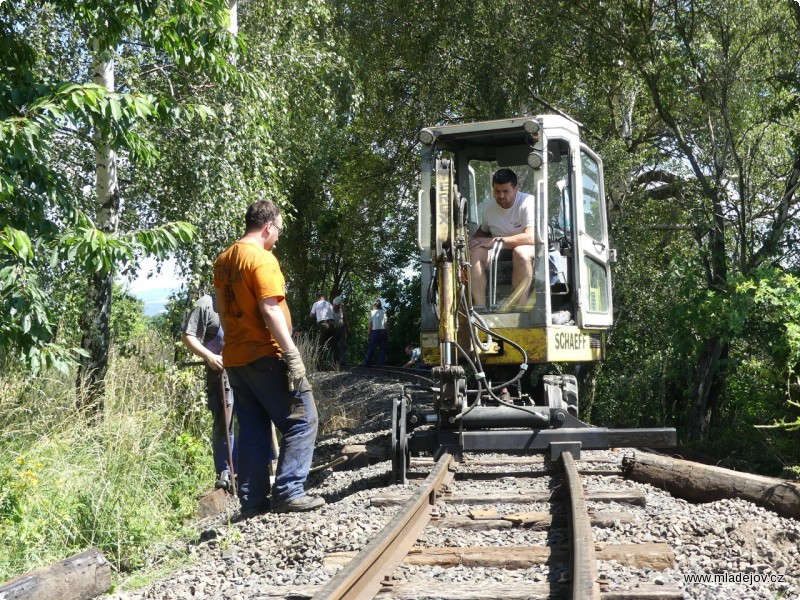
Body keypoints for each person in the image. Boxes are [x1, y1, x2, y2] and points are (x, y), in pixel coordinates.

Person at [214, 199, 324, 515]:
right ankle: (288, 491)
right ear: (268, 227)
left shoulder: (223, 261)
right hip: (265, 355)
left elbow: (223, 310)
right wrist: (291, 355)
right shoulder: (261, 259)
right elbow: (270, 308)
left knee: (252, 430)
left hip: (236, 358)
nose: (277, 239)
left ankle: (253, 501)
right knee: (302, 419)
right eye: (277, 232)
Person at [181, 293, 236, 491]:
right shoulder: (206, 305)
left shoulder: (242, 297)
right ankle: (225, 472)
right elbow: (188, 336)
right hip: (220, 374)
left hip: (246, 369)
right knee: (224, 421)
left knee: (251, 417)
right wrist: (209, 356)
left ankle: (254, 468)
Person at [468, 168, 536, 308]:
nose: (501, 196)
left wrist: (494, 241)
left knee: (521, 252)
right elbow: (483, 231)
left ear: (516, 188)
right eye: (497, 191)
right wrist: (470, 241)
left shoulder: (527, 202)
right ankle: (480, 307)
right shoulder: (488, 208)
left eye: (506, 191)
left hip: (529, 249)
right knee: (474, 251)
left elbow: (531, 237)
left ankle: (519, 308)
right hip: (499, 251)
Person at [309, 293, 335, 369]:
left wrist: (316, 315)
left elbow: (311, 315)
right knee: (332, 344)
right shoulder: (329, 303)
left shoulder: (316, 304)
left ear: (317, 298)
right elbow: (332, 312)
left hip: (323, 324)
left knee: (320, 345)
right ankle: (335, 364)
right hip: (332, 324)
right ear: (323, 297)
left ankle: (319, 365)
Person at [364, 299, 388, 366]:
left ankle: (367, 363)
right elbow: (386, 324)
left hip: (375, 331)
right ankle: (381, 364)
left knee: (372, 347)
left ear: (374, 305)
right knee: (382, 348)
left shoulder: (372, 312)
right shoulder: (383, 312)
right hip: (383, 331)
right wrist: (388, 333)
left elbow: (370, 324)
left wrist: (368, 334)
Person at [331, 295, 348, 366]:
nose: (336, 306)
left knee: (343, 345)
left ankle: (343, 361)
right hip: (334, 330)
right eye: (335, 304)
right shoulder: (330, 310)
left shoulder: (342, 309)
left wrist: (347, 328)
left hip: (342, 328)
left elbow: (345, 318)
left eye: (337, 305)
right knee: (333, 346)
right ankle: (334, 361)